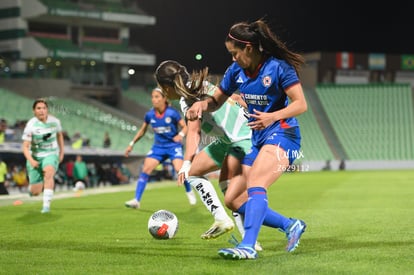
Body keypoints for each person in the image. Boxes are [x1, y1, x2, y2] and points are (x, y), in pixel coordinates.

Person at [185, 19, 308, 259]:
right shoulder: (236, 72)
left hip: (285, 136)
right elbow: (216, 102)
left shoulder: (279, 68)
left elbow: (301, 104)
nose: (233, 59)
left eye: (235, 53)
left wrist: (273, 116)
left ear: (249, 48)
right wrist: (202, 103)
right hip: (259, 139)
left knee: (256, 185)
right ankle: (290, 225)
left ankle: (248, 246)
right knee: (232, 199)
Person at [155, 60, 262, 249]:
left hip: (241, 140)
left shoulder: (188, 98)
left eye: (161, 89)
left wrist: (186, 162)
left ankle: (278, 228)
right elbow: (235, 98)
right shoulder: (200, 86)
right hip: (231, 140)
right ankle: (236, 230)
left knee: (229, 193)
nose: (163, 93)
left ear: (166, 87)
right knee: (216, 183)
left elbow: (194, 132)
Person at [124, 87, 196, 209]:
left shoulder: (172, 113)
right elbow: (142, 131)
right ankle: (136, 200)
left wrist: (180, 135)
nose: (154, 99)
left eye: (157, 97)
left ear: (164, 98)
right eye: (152, 97)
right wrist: (131, 144)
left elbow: (186, 127)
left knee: (180, 170)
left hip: (173, 146)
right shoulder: (149, 115)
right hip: (158, 147)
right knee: (146, 169)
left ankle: (189, 191)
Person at [22, 98, 65, 213]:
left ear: (47, 110)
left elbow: (60, 135)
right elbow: (25, 147)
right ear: (34, 111)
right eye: (38, 108)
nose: (42, 111)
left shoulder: (55, 122)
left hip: (51, 154)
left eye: (44, 108)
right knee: (36, 191)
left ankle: (46, 206)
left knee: (49, 172)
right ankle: (32, 190)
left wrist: (61, 152)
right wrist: (31, 160)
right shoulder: (31, 125)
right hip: (35, 157)